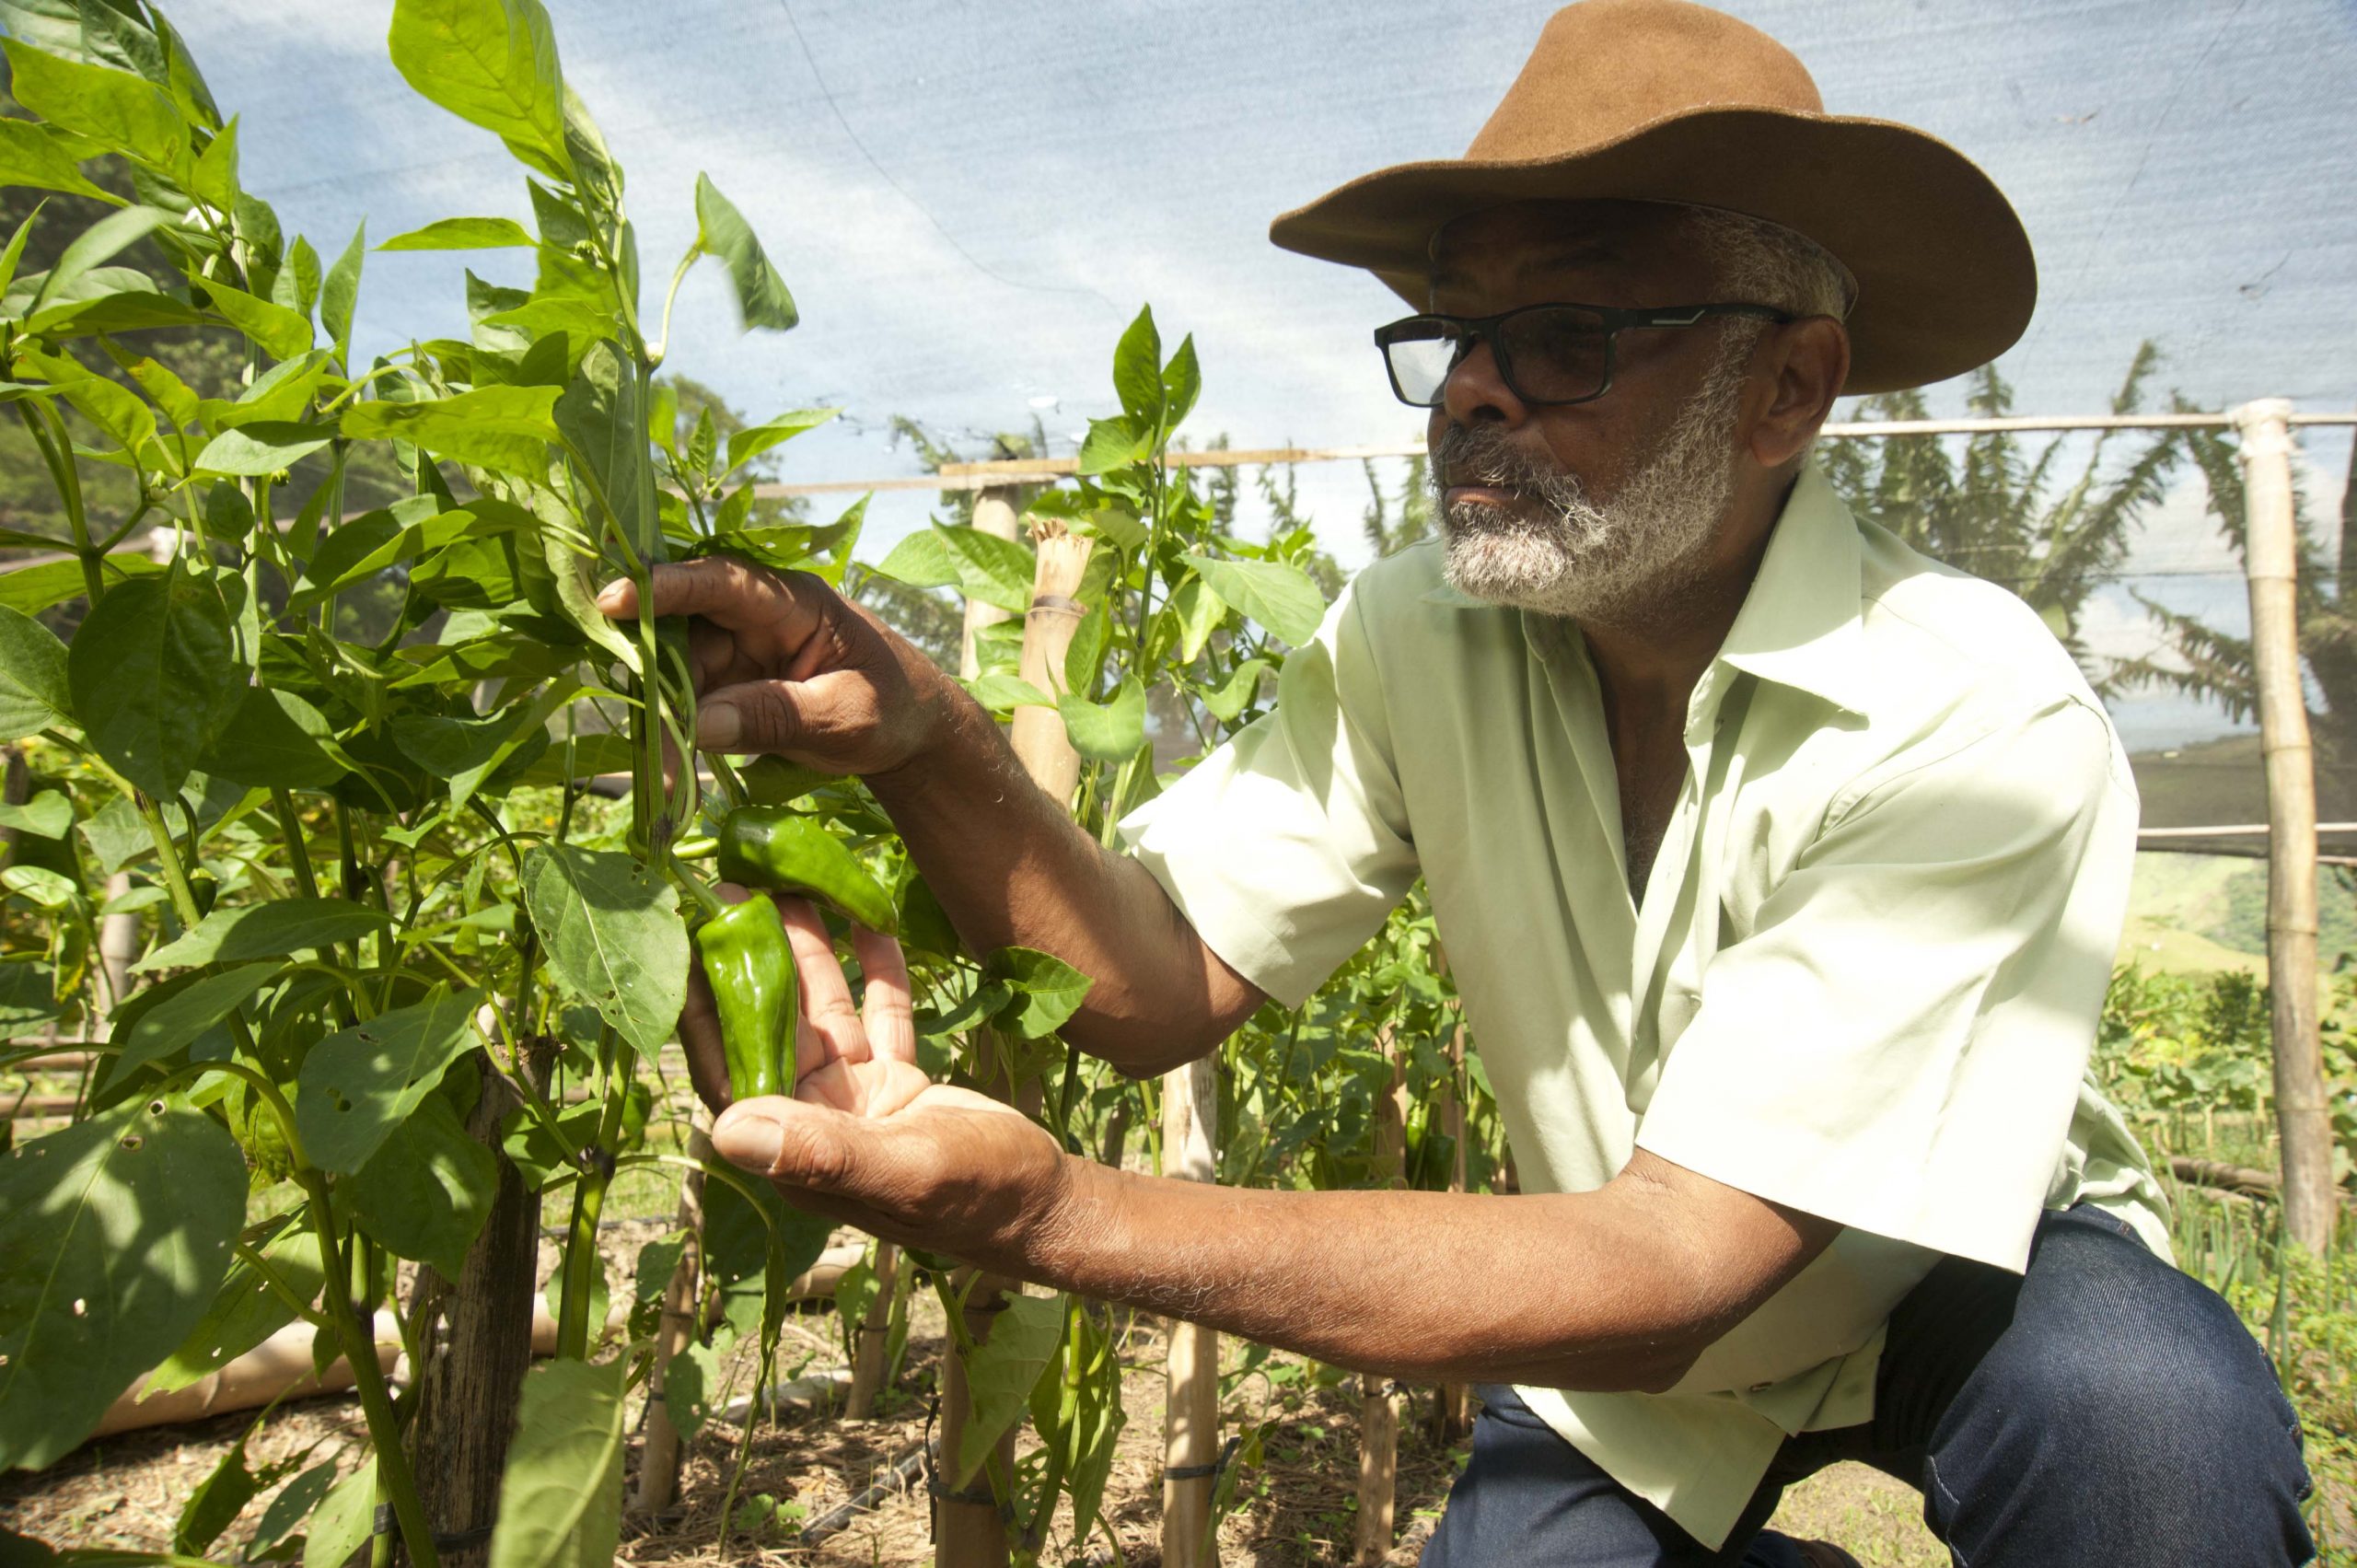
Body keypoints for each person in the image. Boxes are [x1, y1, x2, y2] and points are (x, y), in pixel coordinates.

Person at [599, 1, 2315, 1560]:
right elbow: (1157, 979)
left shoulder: (1968, 707)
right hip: (1603, 1329)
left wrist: (1058, 1214)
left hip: (1948, 1265)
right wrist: (927, 737)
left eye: (1564, 332)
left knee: (2143, 1435)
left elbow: (1676, 1271)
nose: (1474, 388)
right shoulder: (1417, 632)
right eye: (1459, 331)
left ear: (1786, 385)